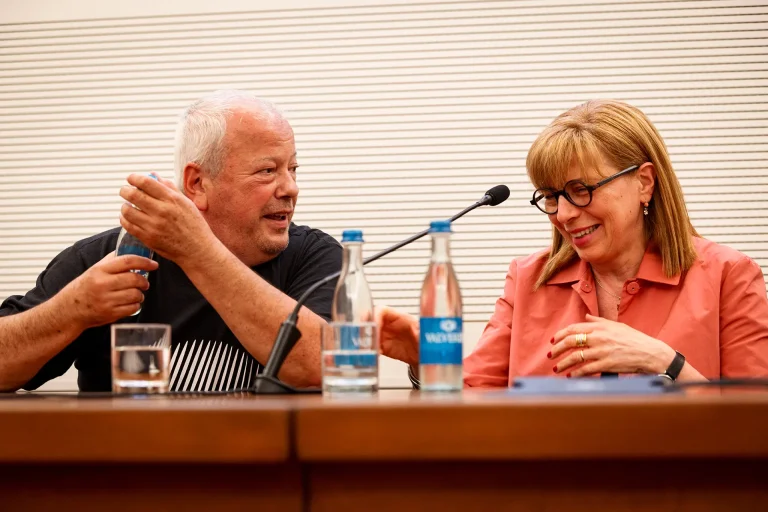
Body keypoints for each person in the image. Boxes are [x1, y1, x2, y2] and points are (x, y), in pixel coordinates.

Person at [379, 99, 768, 386]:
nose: (563, 214)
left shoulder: (727, 276)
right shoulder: (528, 279)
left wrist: (665, 361)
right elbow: (477, 398)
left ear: (644, 183)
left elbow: (753, 425)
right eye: (551, 195)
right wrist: (427, 360)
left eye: (580, 190)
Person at [0, 90, 341, 392]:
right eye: (268, 171)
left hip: (258, 463)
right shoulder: (107, 258)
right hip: (129, 461)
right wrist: (69, 311)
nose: (291, 188)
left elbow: (319, 368)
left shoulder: (313, 256)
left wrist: (196, 250)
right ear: (197, 183)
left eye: (292, 169)